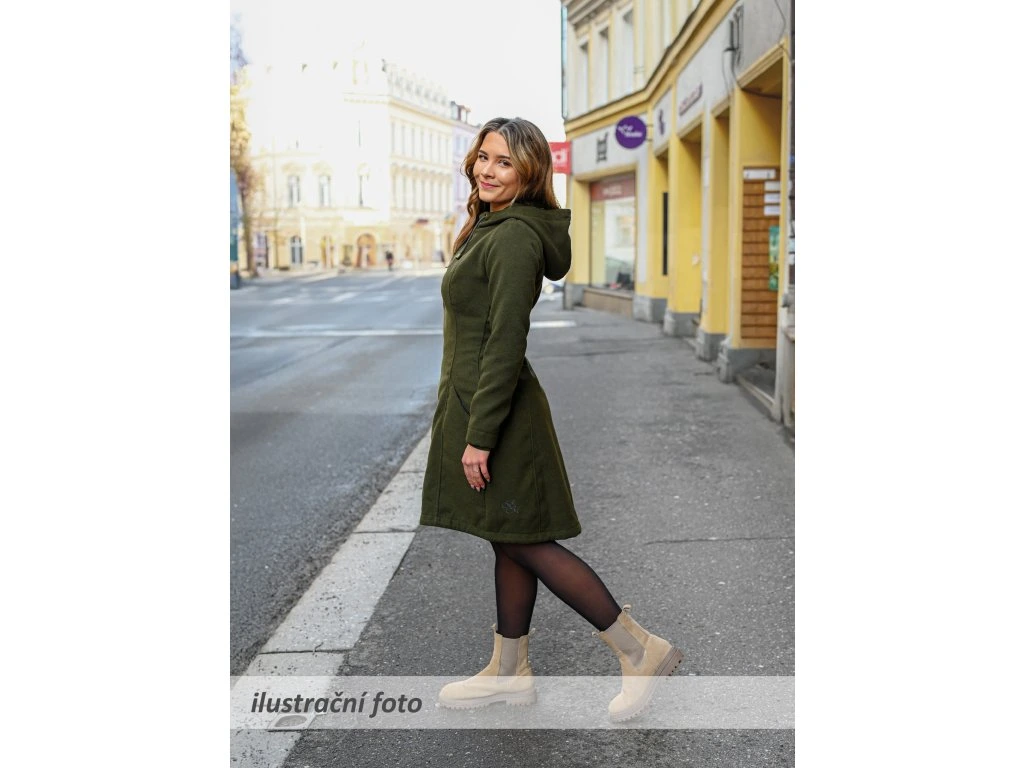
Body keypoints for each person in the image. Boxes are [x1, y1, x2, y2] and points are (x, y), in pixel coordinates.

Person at [419, 117, 683, 722]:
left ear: (530, 172)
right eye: (484, 157)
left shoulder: (513, 236)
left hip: (499, 415)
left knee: (529, 541)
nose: (488, 170)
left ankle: (639, 649)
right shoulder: (492, 225)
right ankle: (509, 672)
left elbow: (504, 341)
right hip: (481, 406)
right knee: (508, 536)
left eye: (504, 162)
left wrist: (480, 436)